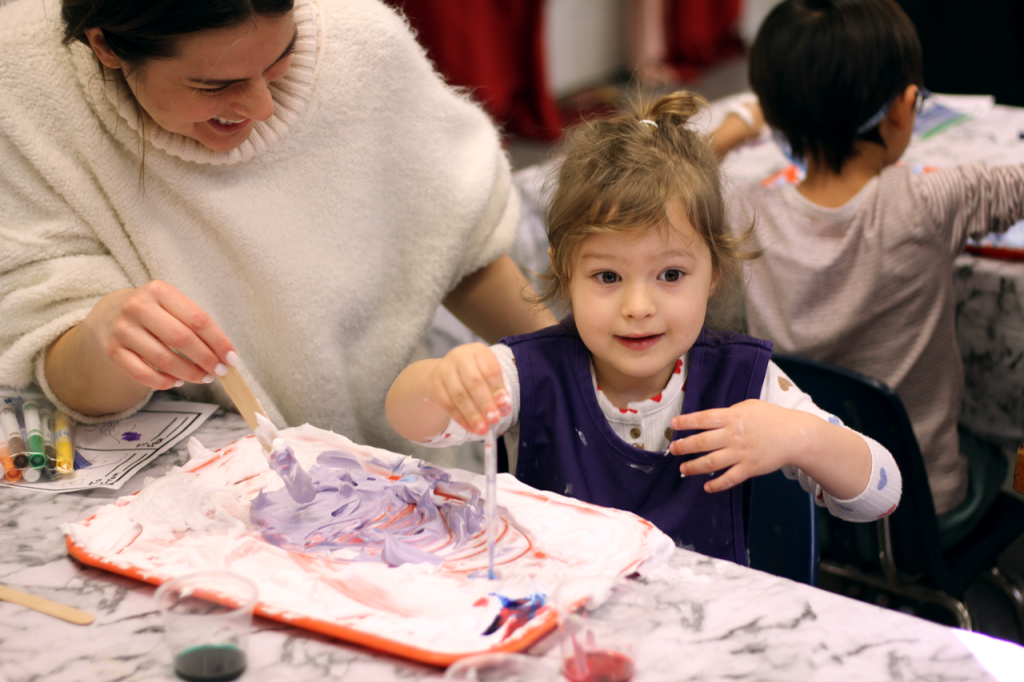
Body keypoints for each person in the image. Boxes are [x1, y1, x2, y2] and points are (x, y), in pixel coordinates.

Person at [0, 0, 555, 453]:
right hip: (189, 489)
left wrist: (574, 373)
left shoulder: (360, 44)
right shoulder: (27, 86)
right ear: (105, 46)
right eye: (215, 86)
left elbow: (460, 246)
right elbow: (64, 377)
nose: (263, 107)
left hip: (389, 454)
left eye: (281, 58)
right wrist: (103, 338)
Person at [386, 91, 902, 562]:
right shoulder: (529, 373)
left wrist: (799, 436)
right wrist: (443, 382)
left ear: (713, 274)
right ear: (567, 274)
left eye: (671, 275)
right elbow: (410, 420)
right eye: (607, 276)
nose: (638, 306)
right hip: (562, 637)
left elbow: (882, 496)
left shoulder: (746, 383)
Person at [731, 0, 1024, 540]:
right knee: (1001, 447)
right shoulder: (932, 200)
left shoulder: (743, 212)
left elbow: (667, 165)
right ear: (902, 109)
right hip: (922, 501)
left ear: (775, 117)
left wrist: (737, 124)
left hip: (798, 498)